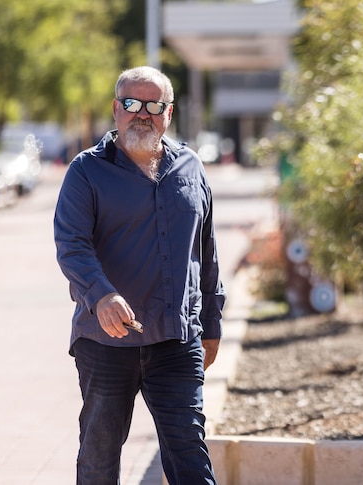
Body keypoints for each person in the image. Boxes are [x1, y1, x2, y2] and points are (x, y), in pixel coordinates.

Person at [54, 66, 225, 484]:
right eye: (131, 104)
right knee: (99, 454)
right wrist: (102, 295)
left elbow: (207, 252)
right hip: (106, 342)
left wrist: (212, 323)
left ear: (169, 113)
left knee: (189, 450)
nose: (141, 114)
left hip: (176, 340)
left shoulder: (191, 167)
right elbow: (72, 245)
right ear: (116, 109)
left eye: (154, 105)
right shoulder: (85, 171)